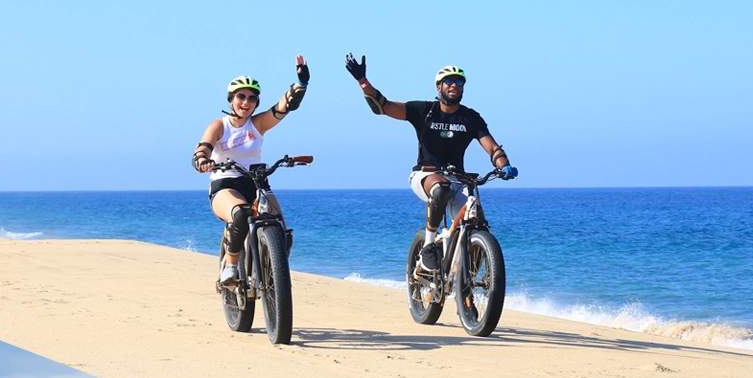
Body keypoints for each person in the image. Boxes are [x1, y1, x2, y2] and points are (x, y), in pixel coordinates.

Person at [343, 56, 517, 271]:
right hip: (425, 175)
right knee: (441, 188)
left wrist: (503, 164)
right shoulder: (423, 111)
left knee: (477, 219)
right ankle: (428, 246)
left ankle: (467, 282)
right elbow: (384, 107)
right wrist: (363, 81)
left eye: (459, 82)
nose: (454, 85)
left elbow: (492, 147)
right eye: (449, 81)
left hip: (457, 178)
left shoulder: (471, 118)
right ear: (439, 86)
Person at [192, 56, 310, 285]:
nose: (246, 102)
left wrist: (301, 83)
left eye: (252, 98)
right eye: (241, 97)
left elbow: (284, 107)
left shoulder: (257, 124)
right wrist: (202, 161)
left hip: (255, 182)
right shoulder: (219, 126)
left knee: (281, 230)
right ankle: (231, 265)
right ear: (231, 99)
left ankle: (273, 276)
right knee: (241, 214)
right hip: (225, 183)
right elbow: (203, 148)